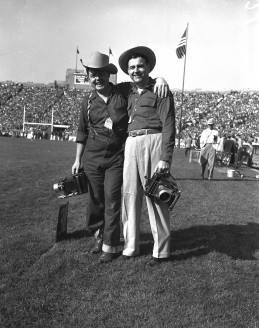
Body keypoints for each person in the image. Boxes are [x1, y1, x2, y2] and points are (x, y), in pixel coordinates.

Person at [72, 51, 169, 263]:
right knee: (96, 201)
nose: (97, 78)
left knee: (114, 200)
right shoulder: (87, 102)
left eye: (101, 74)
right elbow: (81, 132)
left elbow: (144, 81)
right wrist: (78, 159)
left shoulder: (123, 91)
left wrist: (161, 78)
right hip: (92, 157)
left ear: (109, 75)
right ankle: (99, 235)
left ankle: (111, 245)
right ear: (88, 77)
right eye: (92, 75)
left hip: (117, 157)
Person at [118, 46, 176, 266]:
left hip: (153, 140)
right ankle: (130, 247)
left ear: (149, 67)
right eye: (132, 67)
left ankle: (161, 251)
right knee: (130, 194)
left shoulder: (159, 89)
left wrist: (165, 158)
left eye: (140, 66)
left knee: (156, 195)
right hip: (131, 142)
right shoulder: (127, 91)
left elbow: (169, 124)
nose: (136, 70)